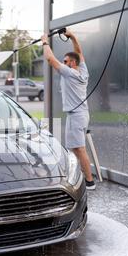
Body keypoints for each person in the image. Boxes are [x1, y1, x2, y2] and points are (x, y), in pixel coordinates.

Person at [41, 30, 95, 190]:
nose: (63, 63)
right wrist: (72, 36)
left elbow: (50, 59)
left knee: (79, 148)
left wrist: (44, 42)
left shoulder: (70, 73)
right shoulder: (83, 71)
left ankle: (89, 182)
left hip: (76, 116)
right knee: (74, 148)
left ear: (72, 63)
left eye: (65, 61)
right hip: (81, 115)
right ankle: (77, 176)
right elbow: (79, 52)